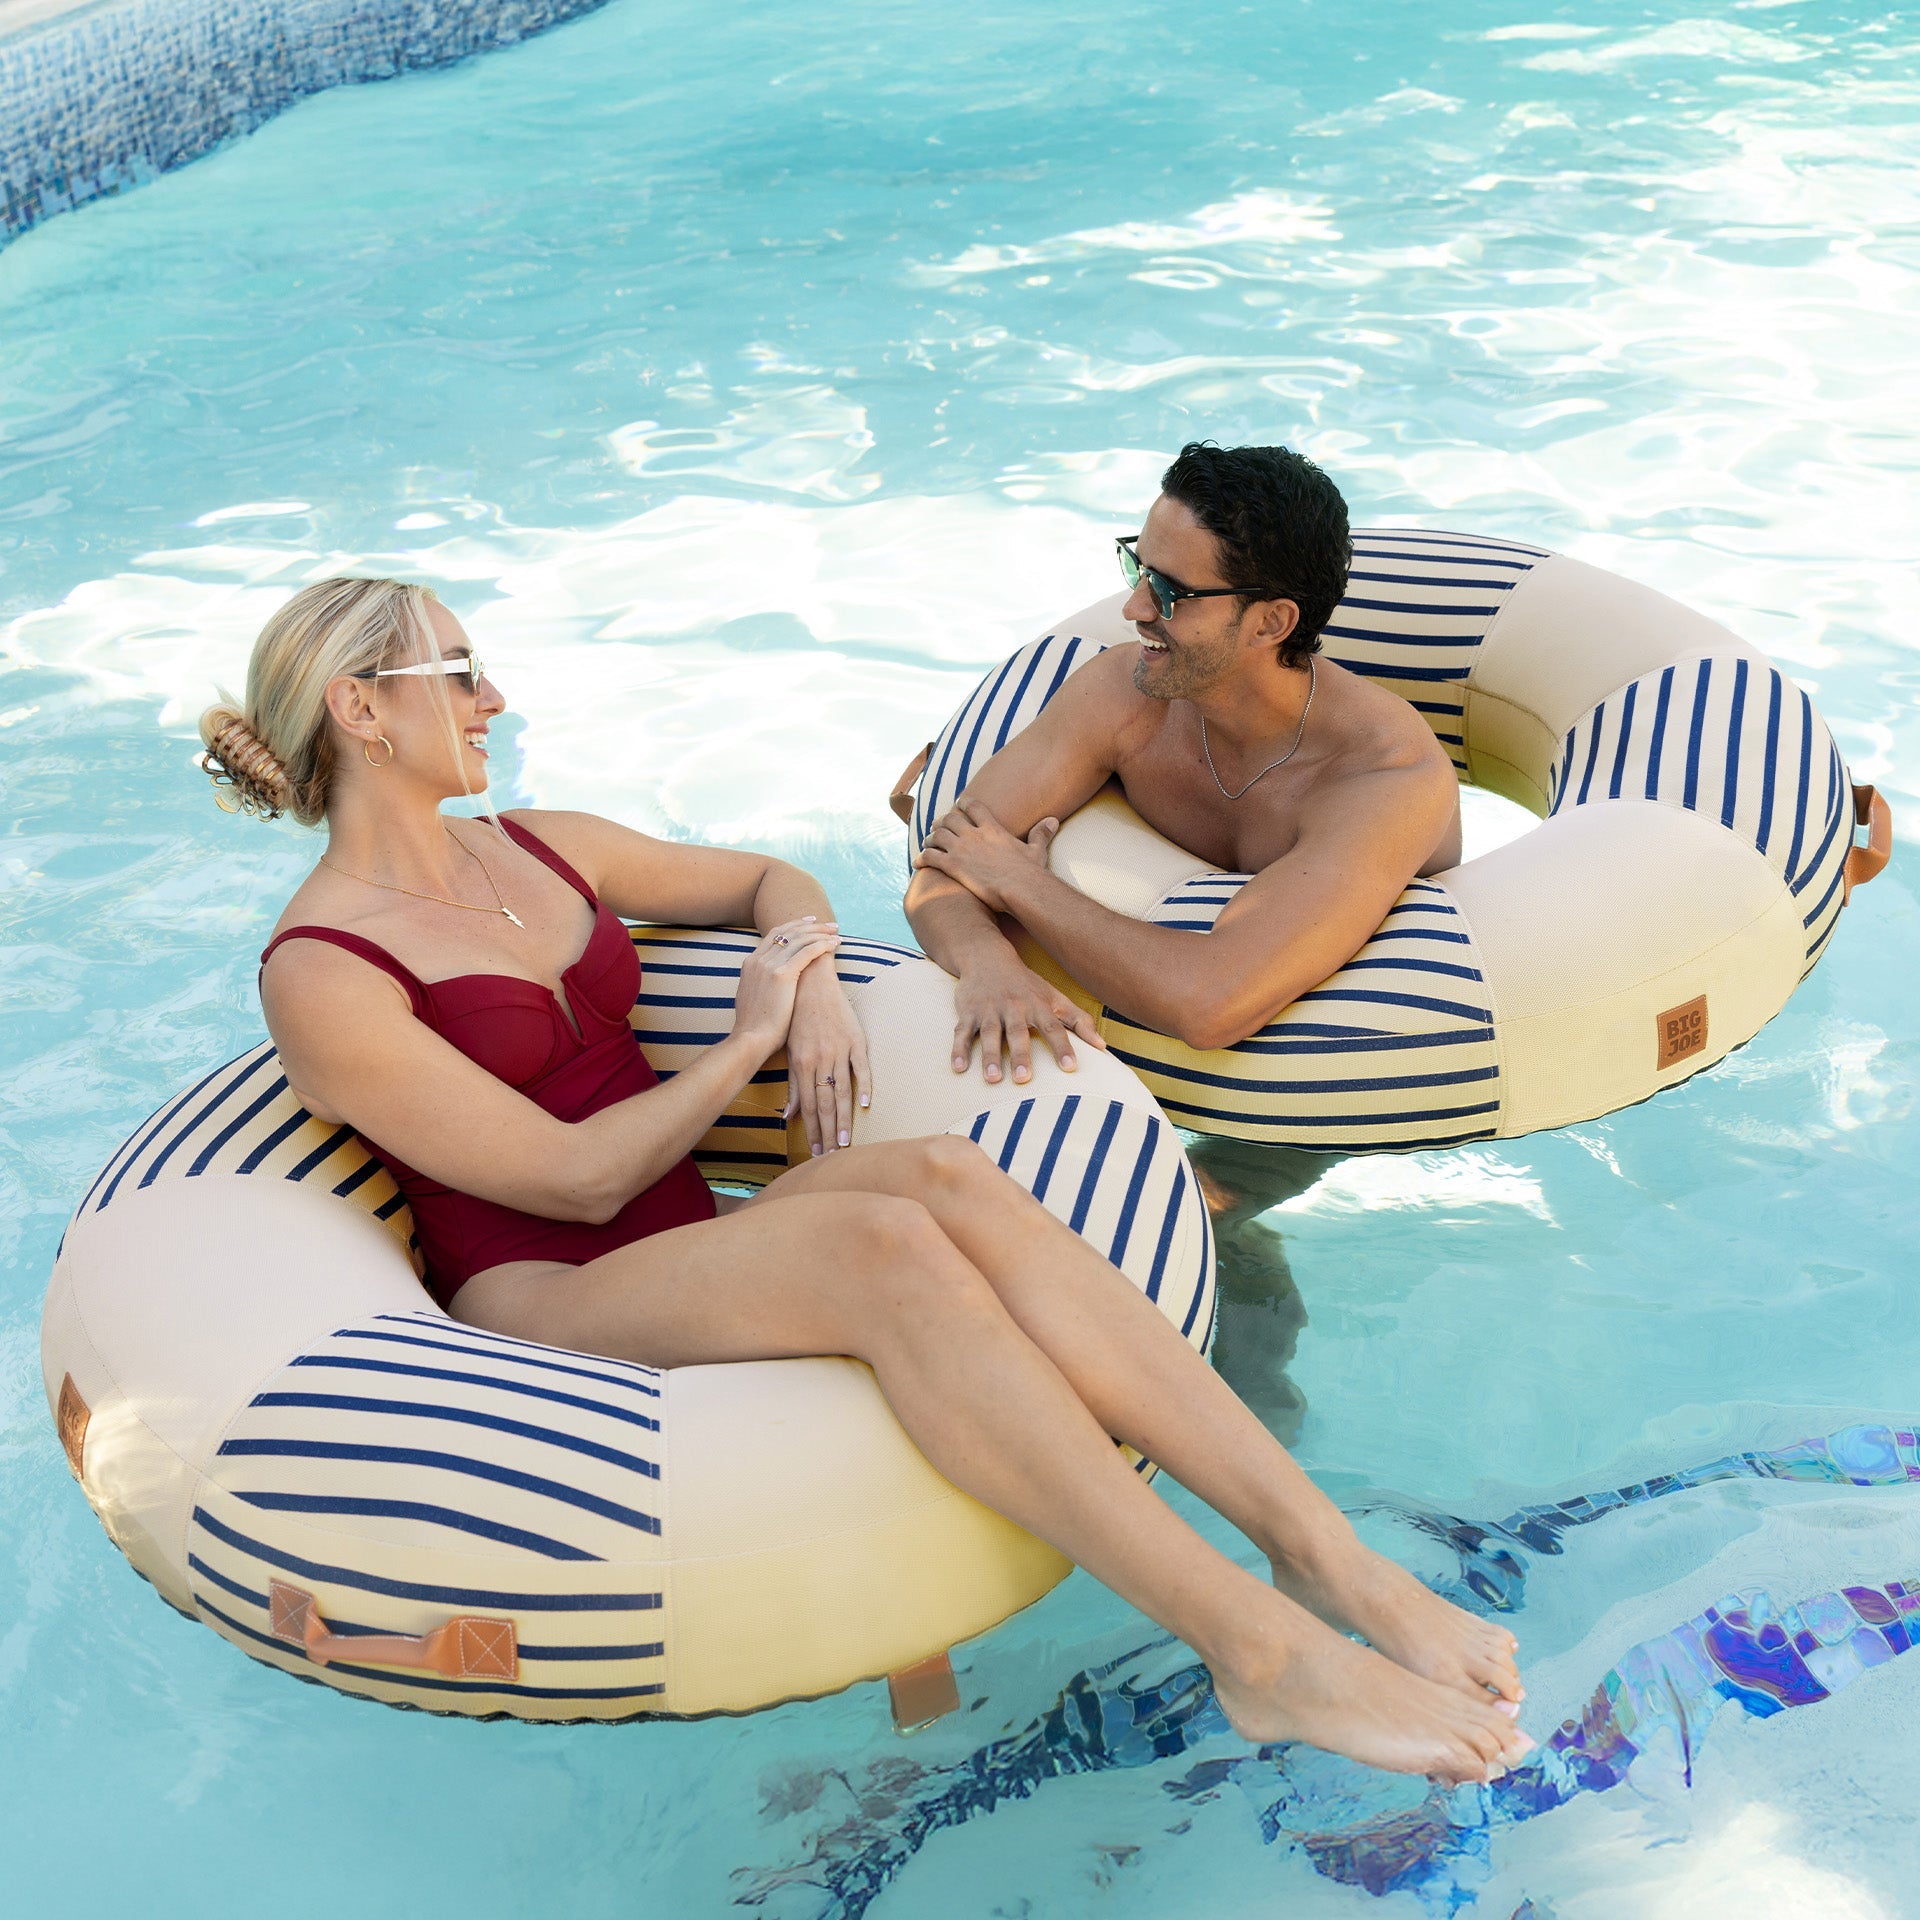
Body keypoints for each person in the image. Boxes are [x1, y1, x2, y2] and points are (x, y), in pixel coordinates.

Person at [200, 574, 1531, 1784]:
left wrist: (818, 987)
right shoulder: (321, 969)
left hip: (688, 1237)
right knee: (882, 1251)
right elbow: (573, 1181)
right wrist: (747, 1043)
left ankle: (1326, 1557)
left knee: (945, 1177)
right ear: (359, 707)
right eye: (460, 671)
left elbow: (775, 881)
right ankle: (1258, 1651)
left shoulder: (539, 845)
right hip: (545, 1288)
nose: (496, 698)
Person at [908, 441, 1463, 1086]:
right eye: (1135, 567)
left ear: (1270, 623)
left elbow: (1211, 1005)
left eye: (1170, 591)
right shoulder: (1123, 694)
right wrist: (985, 960)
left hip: (1337, 1072)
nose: (1135, 609)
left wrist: (1020, 884)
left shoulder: (1387, 779)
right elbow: (942, 867)